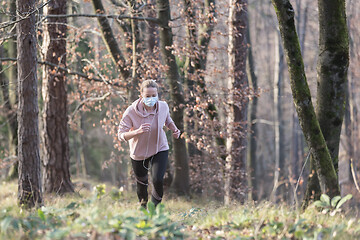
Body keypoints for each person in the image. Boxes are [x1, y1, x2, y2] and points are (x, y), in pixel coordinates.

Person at [118, 80, 181, 208]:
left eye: (154, 95)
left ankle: (155, 209)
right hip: (139, 153)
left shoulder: (163, 106)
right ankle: (143, 208)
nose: (151, 99)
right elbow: (121, 135)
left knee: (158, 179)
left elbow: (168, 120)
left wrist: (174, 130)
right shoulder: (131, 112)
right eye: (147, 96)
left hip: (160, 147)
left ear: (157, 94)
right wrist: (137, 131)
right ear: (141, 95)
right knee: (142, 183)